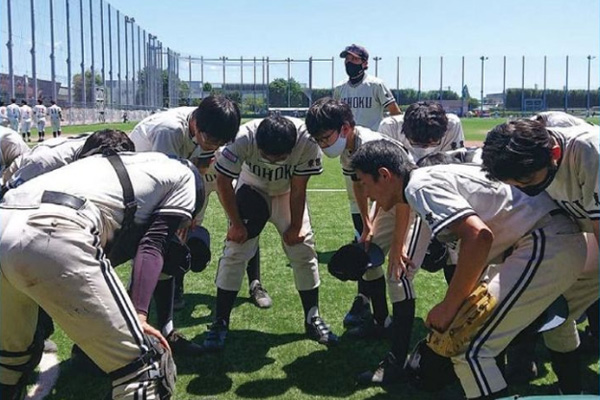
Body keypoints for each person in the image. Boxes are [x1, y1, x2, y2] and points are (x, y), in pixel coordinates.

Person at [350, 140, 594, 399]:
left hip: (545, 242)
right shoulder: (424, 180)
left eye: (365, 183)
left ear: (385, 175)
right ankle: (571, 388)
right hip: (547, 241)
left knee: (470, 349)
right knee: (483, 338)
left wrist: (449, 307)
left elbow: (479, 237)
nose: (365, 193)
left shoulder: (419, 186)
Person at [0, 150, 204, 399]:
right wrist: (139, 315)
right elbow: (153, 244)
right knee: (144, 371)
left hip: (7, 214)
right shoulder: (185, 177)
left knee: (10, 363)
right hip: (51, 228)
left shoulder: (130, 165)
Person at [481, 119, 600, 394]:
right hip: (585, 231)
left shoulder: (588, 150)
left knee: (555, 304)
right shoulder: (517, 155)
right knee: (555, 306)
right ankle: (572, 391)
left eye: (528, 182)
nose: (524, 189)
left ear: (555, 154)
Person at [202, 115, 337, 351]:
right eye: (268, 156)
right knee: (235, 250)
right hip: (252, 189)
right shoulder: (243, 137)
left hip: (287, 193)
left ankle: (312, 317)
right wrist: (236, 224)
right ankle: (220, 321)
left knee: (303, 249)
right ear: (258, 144)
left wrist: (295, 227)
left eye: (281, 157)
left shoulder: (306, 141)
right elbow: (223, 181)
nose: (274, 161)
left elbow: (298, 187)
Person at [305, 98, 423, 358]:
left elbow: (404, 196)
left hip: (410, 200)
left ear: (345, 127)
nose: (324, 145)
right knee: (367, 257)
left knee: (397, 270)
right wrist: (367, 226)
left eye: (326, 138)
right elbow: (359, 185)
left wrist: (397, 244)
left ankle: (400, 346)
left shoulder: (371, 145)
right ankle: (381, 322)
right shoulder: (349, 148)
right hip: (385, 200)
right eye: (319, 140)